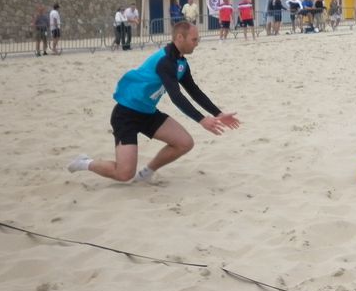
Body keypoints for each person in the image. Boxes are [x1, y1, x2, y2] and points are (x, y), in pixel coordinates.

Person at [67, 21, 240, 183]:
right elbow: (176, 96)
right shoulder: (164, 61)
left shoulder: (180, 62)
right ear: (180, 38)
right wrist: (201, 119)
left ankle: (146, 173)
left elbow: (194, 91)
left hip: (147, 113)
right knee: (124, 173)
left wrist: (218, 113)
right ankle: (85, 162)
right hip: (126, 114)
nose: (197, 43)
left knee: (185, 143)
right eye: (194, 39)